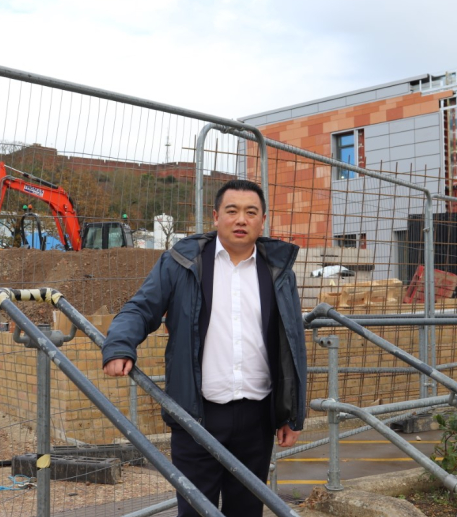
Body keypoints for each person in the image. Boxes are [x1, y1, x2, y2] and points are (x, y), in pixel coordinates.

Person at [102, 179, 307, 517]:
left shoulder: (278, 271)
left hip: (258, 418)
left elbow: (293, 344)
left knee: (247, 510)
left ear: (262, 220)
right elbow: (140, 308)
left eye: (250, 212)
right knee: (196, 511)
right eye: (232, 210)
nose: (241, 220)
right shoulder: (183, 263)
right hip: (196, 416)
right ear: (215, 216)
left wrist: (292, 413)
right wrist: (119, 345)